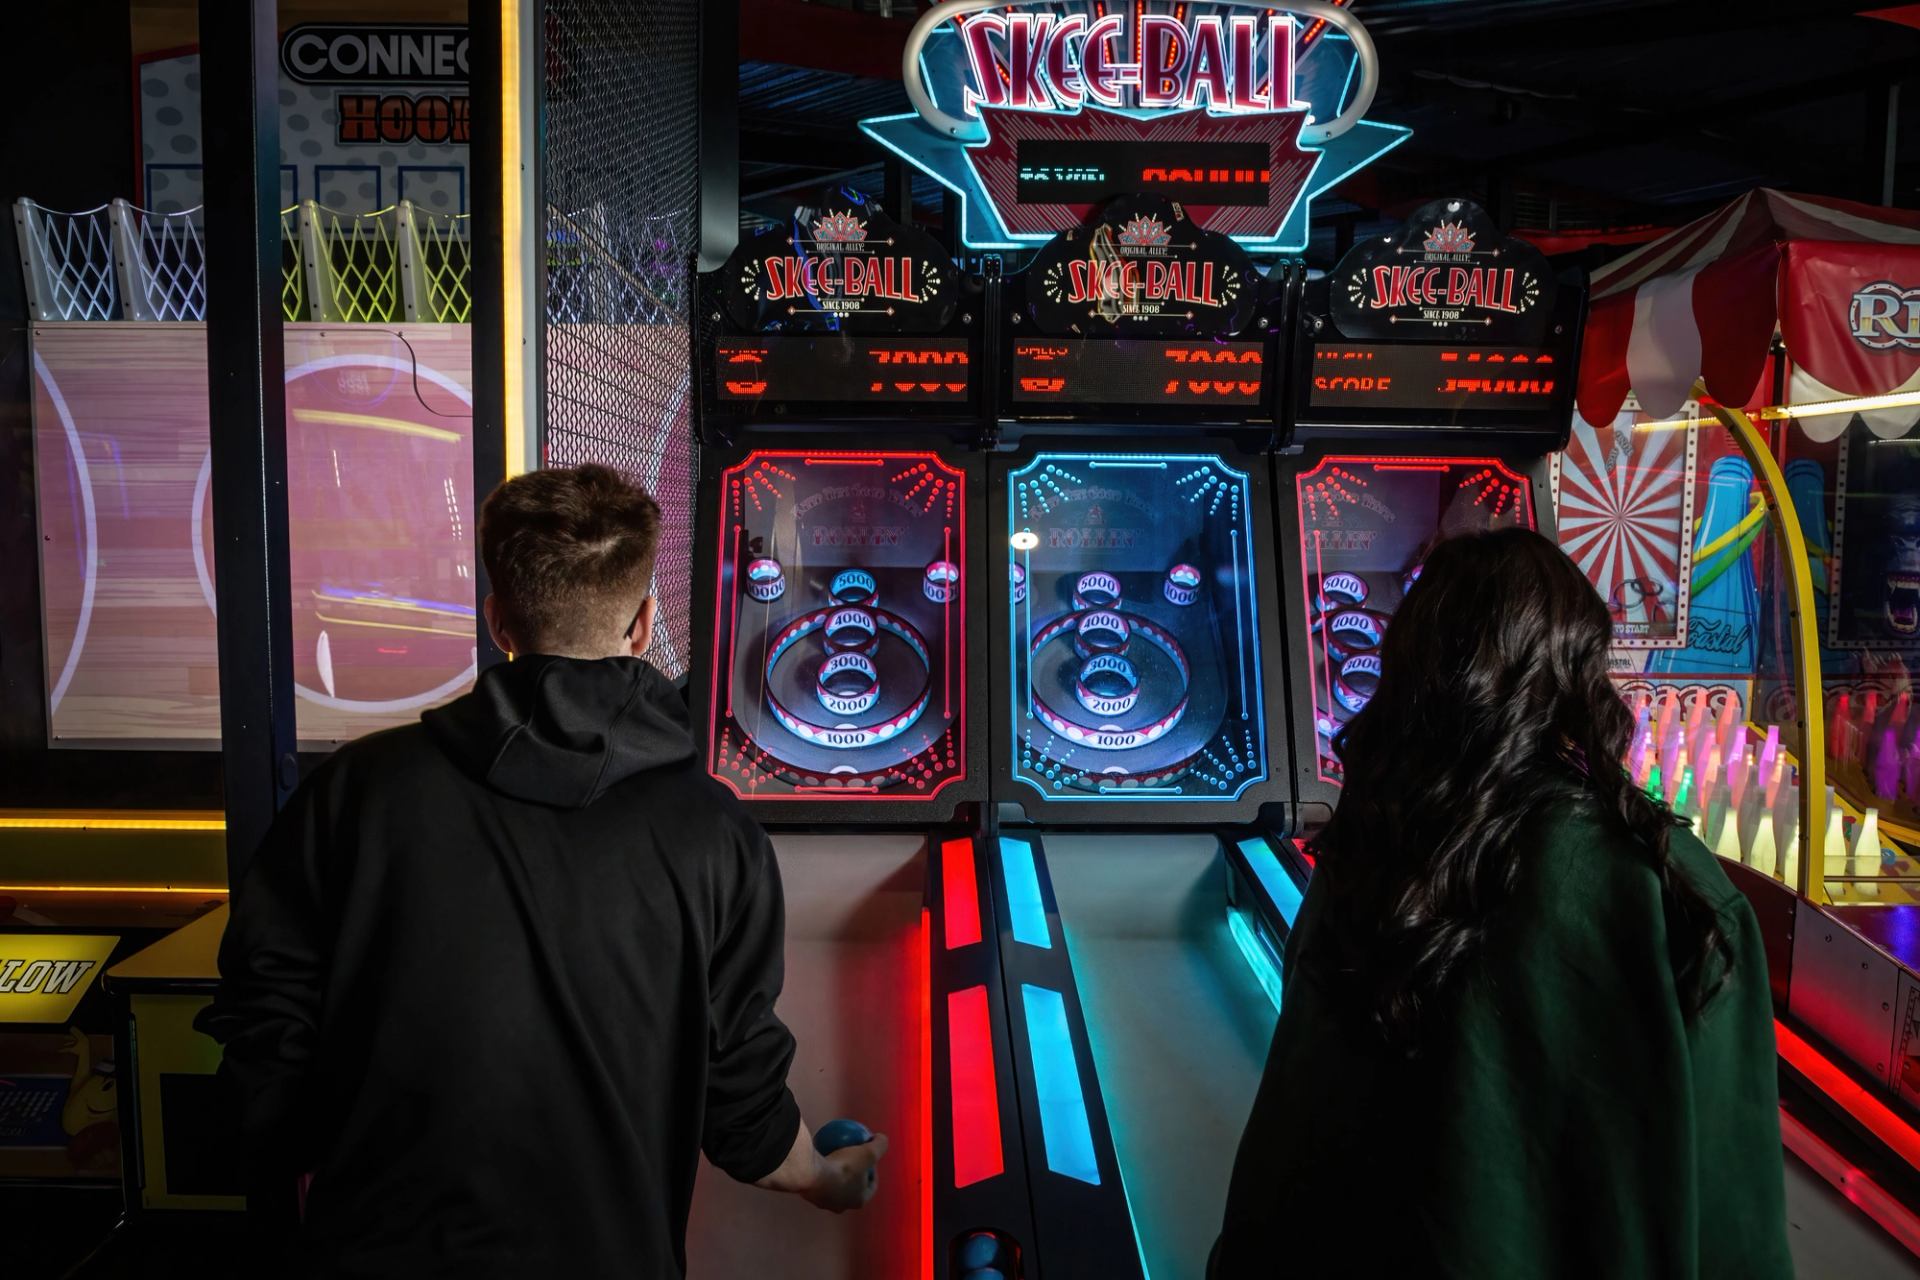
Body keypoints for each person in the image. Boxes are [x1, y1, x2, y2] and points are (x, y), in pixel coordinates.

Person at [200, 464, 886, 1277]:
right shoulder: (715, 831)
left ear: (498, 622)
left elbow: (264, 1023)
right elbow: (741, 1103)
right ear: (641, 626)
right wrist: (823, 1178)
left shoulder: (355, 791)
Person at [1212, 527, 1791, 1278]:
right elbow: (1733, 1205)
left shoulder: (1368, 855)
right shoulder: (1669, 883)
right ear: (1580, 671)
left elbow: (1291, 1141)